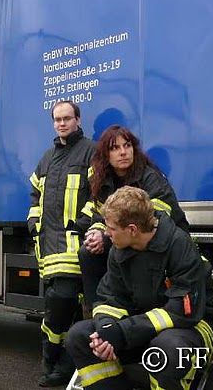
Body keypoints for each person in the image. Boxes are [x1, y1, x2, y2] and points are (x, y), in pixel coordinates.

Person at [65, 186, 213, 390]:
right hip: (144, 329)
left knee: (166, 349)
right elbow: (109, 298)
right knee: (79, 336)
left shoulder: (178, 245)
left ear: (132, 229)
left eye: (111, 228)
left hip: (194, 326)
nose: (106, 233)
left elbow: (183, 311)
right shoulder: (119, 250)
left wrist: (123, 332)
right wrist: (107, 330)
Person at [77, 125, 189, 308]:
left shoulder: (149, 177)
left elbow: (154, 218)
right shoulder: (103, 181)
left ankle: (126, 309)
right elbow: (100, 215)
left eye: (127, 146)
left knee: (116, 249)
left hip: (155, 239)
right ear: (106, 155)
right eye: (115, 148)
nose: (123, 152)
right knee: (87, 251)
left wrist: (108, 234)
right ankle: (97, 311)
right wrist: (97, 233)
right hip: (124, 235)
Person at [27, 100, 96, 387]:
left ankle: (57, 362)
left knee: (64, 302)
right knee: (55, 305)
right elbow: (34, 194)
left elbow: (99, 193)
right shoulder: (47, 158)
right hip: (49, 247)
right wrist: (33, 221)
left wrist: (81, 223)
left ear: (78, 120)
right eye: (57, 119)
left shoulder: (91, 152)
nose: (62, 123)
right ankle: (54, 363)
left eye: (67, 118)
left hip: (73, 244)